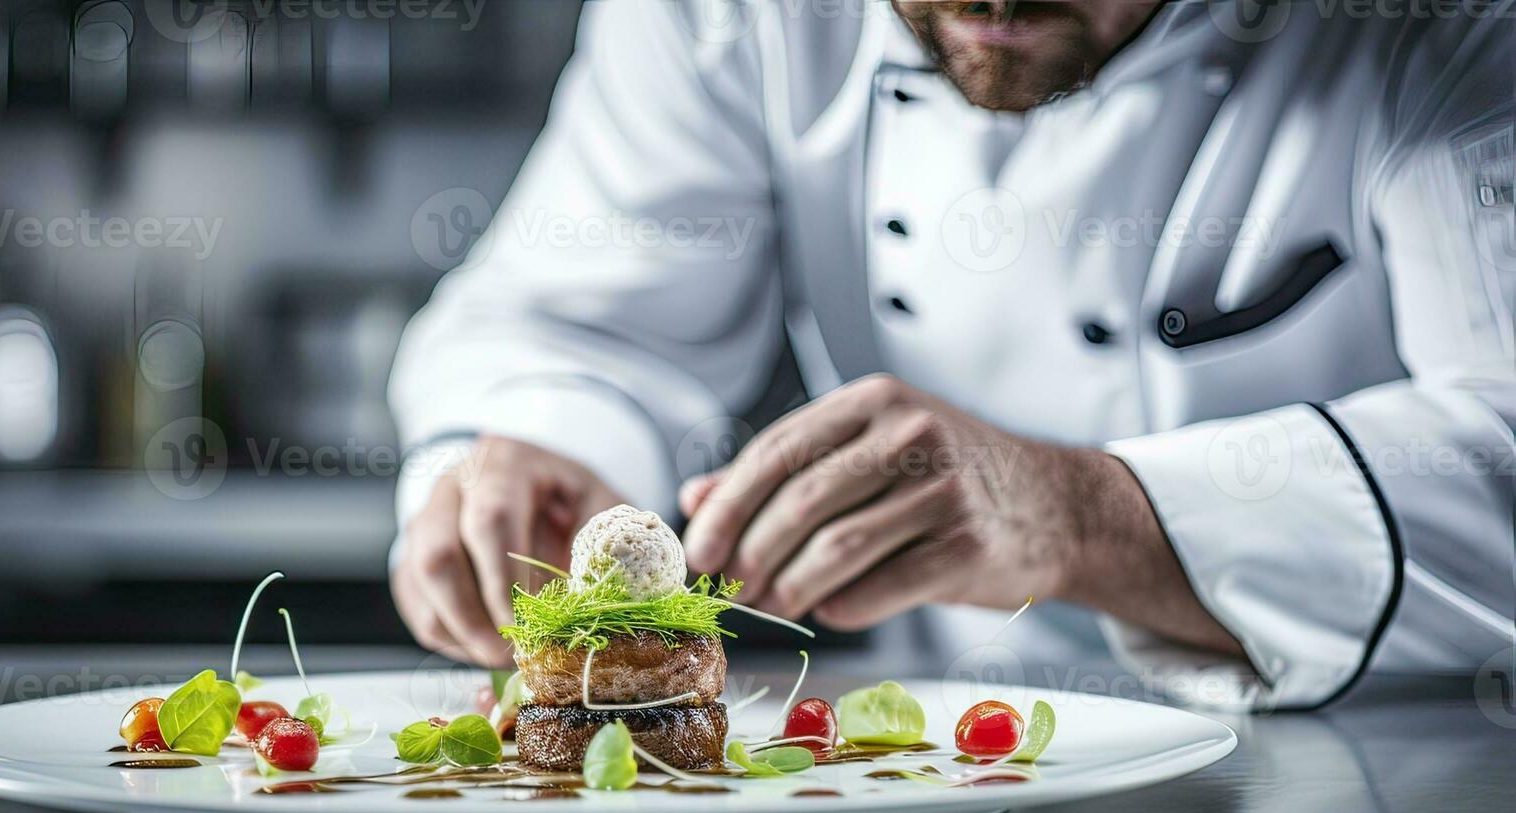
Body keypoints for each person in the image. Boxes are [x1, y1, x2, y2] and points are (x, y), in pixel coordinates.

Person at [387, 0, 1515, 709]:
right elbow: (583, 319)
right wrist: (534, 445)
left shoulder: (1436, 26)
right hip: (930, 753)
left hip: (1392, 760)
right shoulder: (724, 15)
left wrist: (1088, 512)